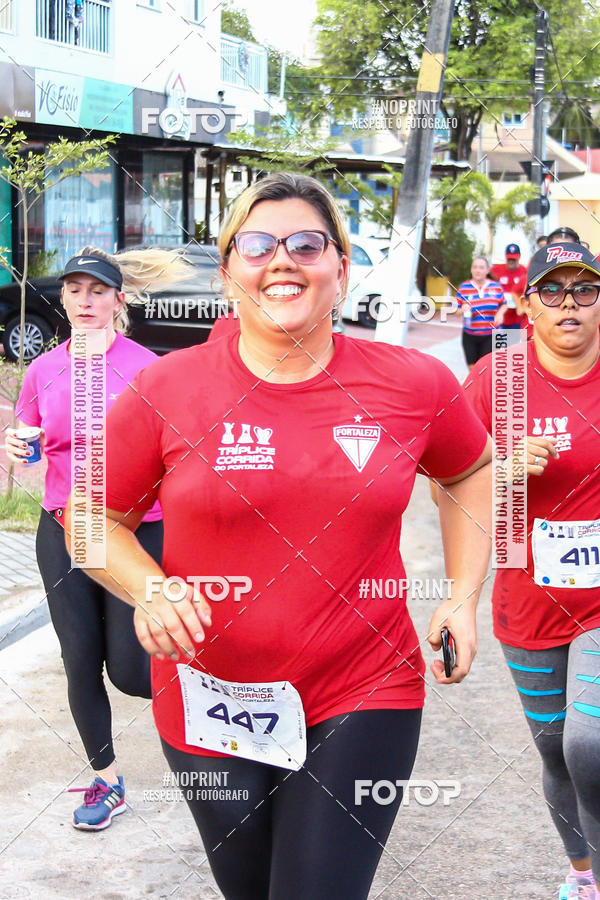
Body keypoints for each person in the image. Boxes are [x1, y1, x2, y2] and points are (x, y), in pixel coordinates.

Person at [69, 172, 492, 899]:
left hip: (364, 686)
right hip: (209, 699)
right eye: (258, 244)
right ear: (230, 269)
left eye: (306, 242)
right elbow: (87, 516)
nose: (283, 260)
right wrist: (151, 587)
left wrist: (462, 595)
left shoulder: (413, 382)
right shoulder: (167, 389)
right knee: (251, 888)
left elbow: (472, 469)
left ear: (341, 267)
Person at [4, 246, 189, 831]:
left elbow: (179, 451)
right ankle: (105, 779)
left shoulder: (149, 369)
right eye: (75, 290)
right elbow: (28, 436)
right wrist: (14, 446)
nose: (85, 301)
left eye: (98, 291)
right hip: (64, 527)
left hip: (138, 531)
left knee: (134, 672)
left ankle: (213, 730)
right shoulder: (42, 369)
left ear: (119, 299)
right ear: (63, 299)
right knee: (79, 659)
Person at [464, 241, 600, 899]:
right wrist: (500, 471)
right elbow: (443, 482)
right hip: (529, 600)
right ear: (528, 304)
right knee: (555, 751)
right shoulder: (499, 381)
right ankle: (580, 871)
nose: (569, 303)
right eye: (553, 290)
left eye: (585, 289)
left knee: (589, 745)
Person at [456, 255, 504, 369]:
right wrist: (462, 309)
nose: (478, 270)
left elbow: (504, 304)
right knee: (473, 369)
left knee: (485, 369)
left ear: (487, 270)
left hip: (490, 336)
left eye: (481, 267)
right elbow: (455, 310)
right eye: (475, 267)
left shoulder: (496, 287)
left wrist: (500, 313)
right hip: (469, 335)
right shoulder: (464, 288)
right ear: (471, 269)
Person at [491, 242, 528, 329]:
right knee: (499, 342)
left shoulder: (524, 271)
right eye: (509, 259)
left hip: (517, 319)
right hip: (500, 318)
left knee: (515, 342)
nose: (511, 262)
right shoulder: (495, 270)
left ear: (519, 258)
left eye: (514, 259)